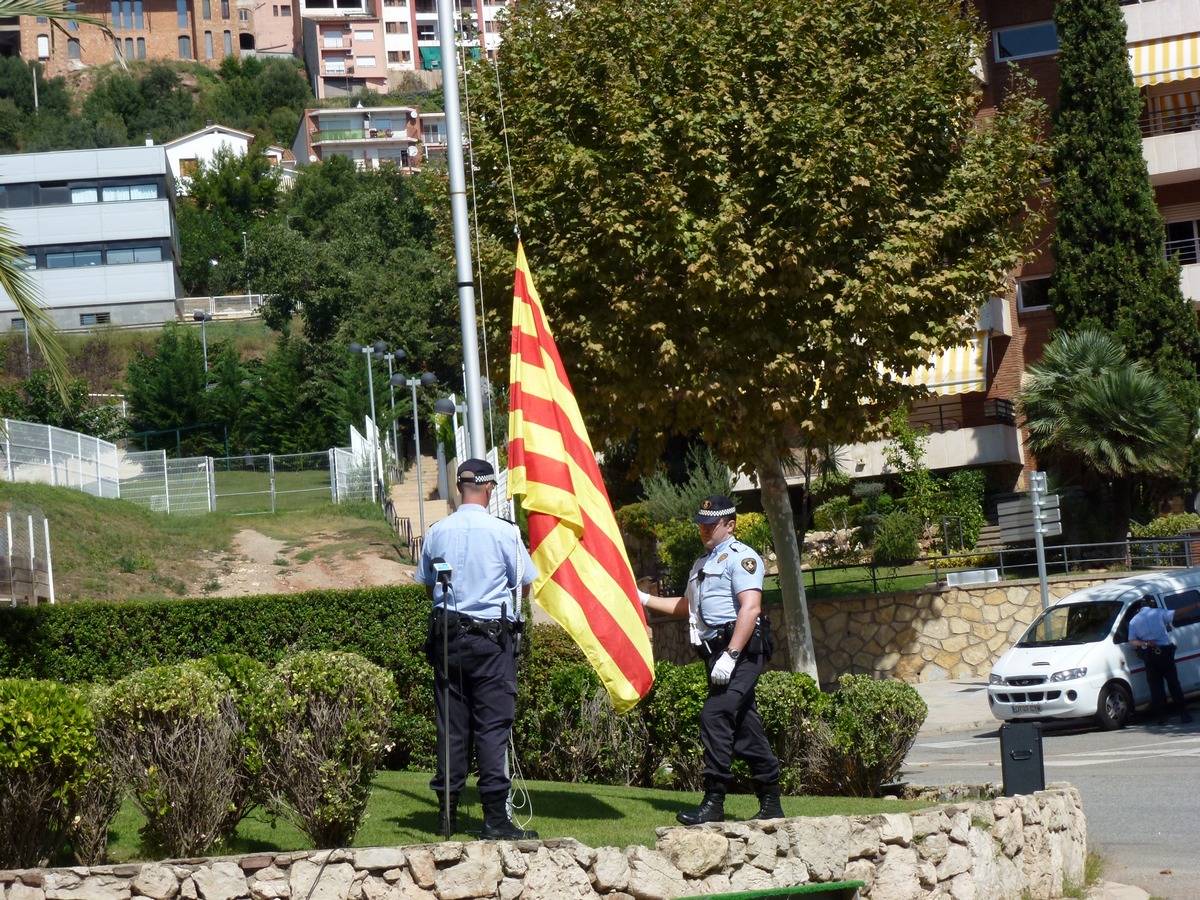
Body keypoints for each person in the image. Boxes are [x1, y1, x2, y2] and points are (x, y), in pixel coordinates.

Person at [640, 495, 783, 825]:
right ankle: (771, 802)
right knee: (746, 727)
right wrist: (643, 598)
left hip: (740, 651)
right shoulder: (701, 563)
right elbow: (686, 606)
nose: (704, 529)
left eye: (711, 524)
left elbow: (751, 608)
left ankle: (714, 800)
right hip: (715, 653)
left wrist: (731, 655)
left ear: (729, 525)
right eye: (701, 524)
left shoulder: (743, 557)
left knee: (714, 714)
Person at [416, 458, 539, 840]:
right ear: (488, 489)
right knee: (491, 728)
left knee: (451, 728)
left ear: (458, 488)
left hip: (448, 639)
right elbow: (524, 585)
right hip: (490, 641)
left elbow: (429, 586)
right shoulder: (505, 532)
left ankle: (446, 816)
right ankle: (495, 819)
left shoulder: (437, 531)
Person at [1128, 595, 1200, 725]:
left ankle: (1162, 718)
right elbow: (1177, 613)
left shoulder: (1133, 621)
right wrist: (1195, 605)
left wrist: (1145, 643)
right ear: (1152, 604)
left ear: (1141, 605)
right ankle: (1184, 715)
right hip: (1164, 653)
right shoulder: (1158, 613)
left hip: (1149, 655)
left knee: (1156, 687)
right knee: (1173, 684)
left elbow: (1132, 640)